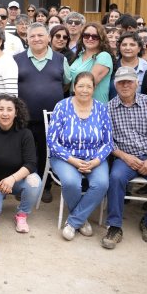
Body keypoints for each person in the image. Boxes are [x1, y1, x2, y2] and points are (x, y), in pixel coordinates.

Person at [102, 67, 147, 249]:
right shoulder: (108, 108)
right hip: (124, 158)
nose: (125, 85)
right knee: (115, 179)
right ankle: (114, 227)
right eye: (121, 82)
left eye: (129, 81)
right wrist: (125, 156)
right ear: (115, 85)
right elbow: (107, 141)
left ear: (137, 83)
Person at [47, 72, 113, 240]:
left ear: (94, 88)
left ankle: (74, 221)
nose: (84, 90)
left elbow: (108, 142)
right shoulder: (62, 106)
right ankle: (81, 221)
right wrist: (74, 161)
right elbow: (52, 141)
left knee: (102, 183)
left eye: (89, 86)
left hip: (94, 158)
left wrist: (96, 161)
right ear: (74, 87)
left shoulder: (101, 108)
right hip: (65, 157)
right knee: (71, 182)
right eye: (81, 86)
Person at [14, 23, 71, 203]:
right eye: (32, 36)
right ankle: (23, 185)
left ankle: (45, 186)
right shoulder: (16, 59)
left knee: (47, 152)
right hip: (24, 117)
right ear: (27, 39)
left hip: (51, 118)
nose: (37, 39)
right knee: (24, 152)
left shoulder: (60, 59)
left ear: (48, 38)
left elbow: (67, 82)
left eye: (40, 35)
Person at [0, 95, 41, 233]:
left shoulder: (25, 133)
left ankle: (22, 214)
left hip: (16, 180)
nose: (5, 113)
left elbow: (31, 163)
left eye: (9, 109)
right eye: (1, 109)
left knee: (34, 181)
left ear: (16, 113)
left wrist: (12, 179)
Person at [70, 23, 113, 104]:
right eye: (86, 35)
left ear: (101, 39)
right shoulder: (79, 55)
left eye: (95, 36)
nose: (90, 39)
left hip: (95, 106)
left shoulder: (104, 56)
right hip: (75, 103)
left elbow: (89, 83)